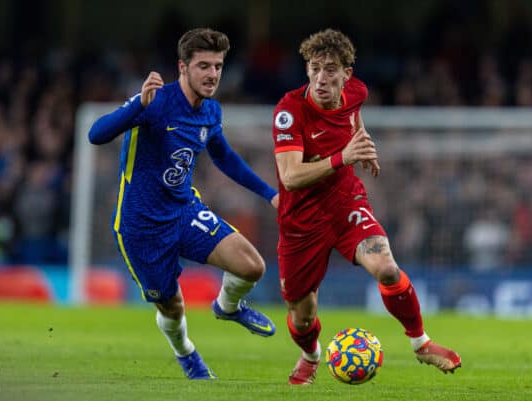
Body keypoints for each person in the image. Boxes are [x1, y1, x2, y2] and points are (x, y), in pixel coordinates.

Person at [271, 29, 461, 385]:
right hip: (301, 220)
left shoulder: (357, 94)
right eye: (314, 68)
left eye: (330, 70)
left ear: (347, 75)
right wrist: (344, 156)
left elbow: (354, 118)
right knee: (301, 314)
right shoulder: (289, 111)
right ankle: (311, 356)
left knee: (386, 267)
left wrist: (363, 142)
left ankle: (421, 343)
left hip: (345, 204)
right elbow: (291, 176)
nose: (320, 78)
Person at [88, 28, 278, 380]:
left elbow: (226, 159)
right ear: (183, 67)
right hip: (141, 227)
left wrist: (270, 194)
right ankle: (186, 352)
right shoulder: (155, 101)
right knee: (172, 307)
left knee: (252, 266)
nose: (212, 74)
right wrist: (137, 107)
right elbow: (96, 134)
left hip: (184, 211)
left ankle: (227, 306)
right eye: (204, 65)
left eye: (218, 66)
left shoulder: (211, 112)